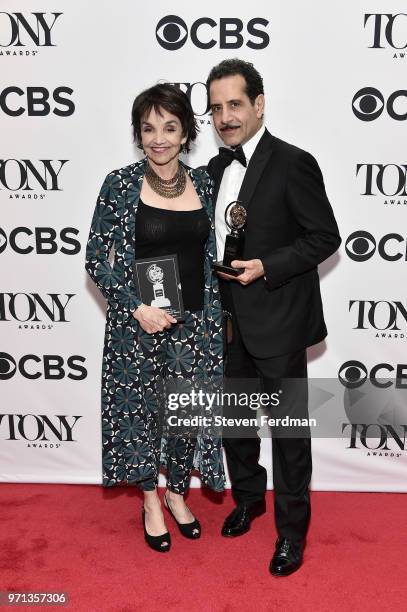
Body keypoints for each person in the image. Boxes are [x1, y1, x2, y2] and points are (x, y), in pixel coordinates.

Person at [206, 59, 341, 576]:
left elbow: (324, 237)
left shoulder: (293, 162)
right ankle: (247, 498)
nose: (225, 117)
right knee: (235, 424)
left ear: (259, 105)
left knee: (287, 433)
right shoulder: (216, 169)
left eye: (235, 104)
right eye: (216, 108)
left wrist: (267, 267)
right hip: (224, 321)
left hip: (278, 320)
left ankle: (291, 532)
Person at [85, 83, 225, 553]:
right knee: (141, 416)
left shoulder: (203, 183)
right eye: (148, 128)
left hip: (194, 327)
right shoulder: (119, 183)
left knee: (185, 415)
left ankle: (177, 492)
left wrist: (212, 319)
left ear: (186, 132)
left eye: (169, 127)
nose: (159, 138)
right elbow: (95, 258)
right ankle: (149, 500)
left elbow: (208, 256)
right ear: (138, 134)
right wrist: (134, 307)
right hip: (138, 324)